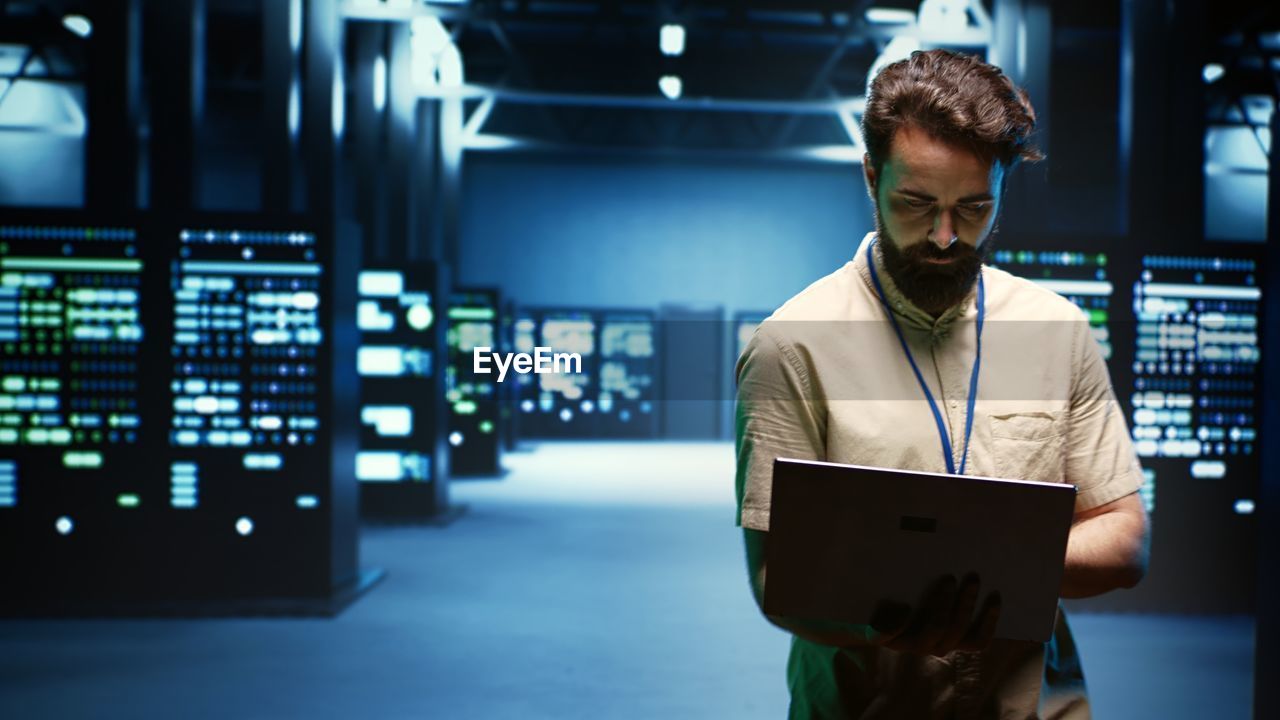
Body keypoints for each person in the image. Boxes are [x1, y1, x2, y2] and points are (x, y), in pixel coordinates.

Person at [734, 49, 1150, 719]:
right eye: (916, 203)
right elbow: (772, 578)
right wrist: (880, 620)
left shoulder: (1058, 331)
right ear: (871, 179)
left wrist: (972, 570)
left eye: (975, 207)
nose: (947, 236)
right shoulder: (792, 346)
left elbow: (1125, 536)